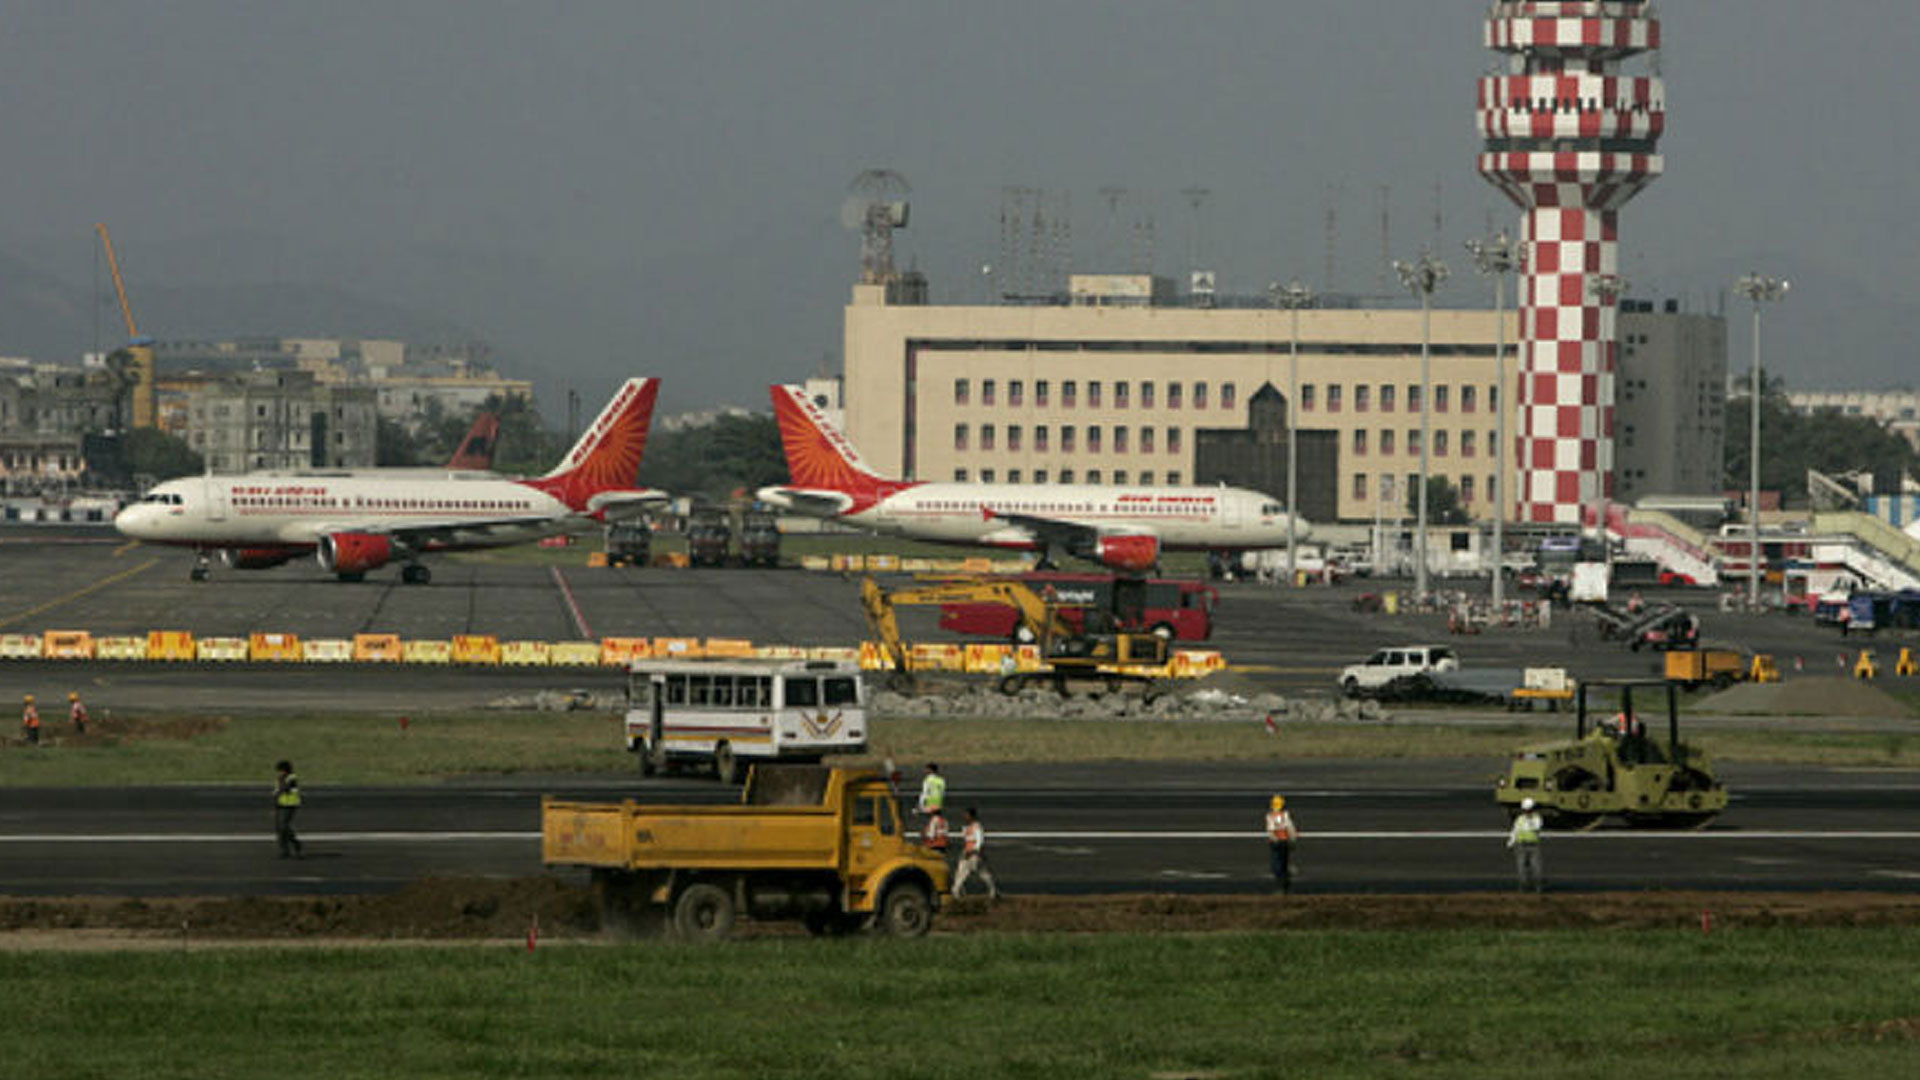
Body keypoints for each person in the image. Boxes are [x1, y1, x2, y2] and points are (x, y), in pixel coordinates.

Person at [951, 807, 1000, 899]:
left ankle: (993, 890)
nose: (965, 816)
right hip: (967, 853)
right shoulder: (966, 827)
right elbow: (966, 841)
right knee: (961, 872)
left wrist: (974, 851)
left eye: (967, 815)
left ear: (971, 816)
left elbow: (979, 841)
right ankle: (956, 891)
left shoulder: (977, 827)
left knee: (981, 873)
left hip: (974, 854)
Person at [1508, 797, 1544, 893]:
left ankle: (1538, 888)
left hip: (1533, 846)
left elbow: (1536, 827)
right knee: (1521, 868)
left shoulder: (1537, 818)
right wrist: (1511, 841)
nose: (1528, 812)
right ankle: (1523, 888)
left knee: (1536, 867)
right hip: (1521, 846)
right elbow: (1515, 831)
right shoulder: (1519, 819)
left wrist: (1529, 819)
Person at [1265, 795, 1298, 893]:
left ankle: (1282, 885)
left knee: (1277, 865)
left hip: (1277, 843)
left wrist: (1274, 839)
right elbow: (1291, 828)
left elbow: (1270, 831)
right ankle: (1285, 881)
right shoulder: (1285, 815)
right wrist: (1293, 839)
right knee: (1283, 863)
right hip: (1285, 842)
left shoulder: (1271, 816)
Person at [273, 759, 304, 859]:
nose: (279, 772)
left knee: (284, 826)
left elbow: (286, 788)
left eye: (280, 770)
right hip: (281, 804)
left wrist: (281, 783)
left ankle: (295, 843)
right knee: (279, 828)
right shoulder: (281, 778)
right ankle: (285, 850)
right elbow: (278, 791)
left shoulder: (291, 778)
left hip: (291, 804)